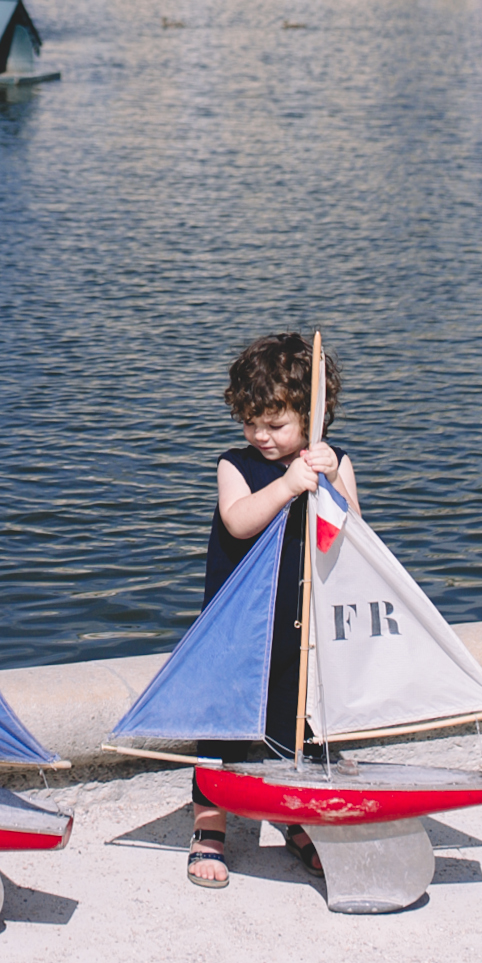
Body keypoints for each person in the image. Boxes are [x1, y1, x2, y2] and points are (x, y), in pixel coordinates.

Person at [187, 333, 360, 892]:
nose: (260, 435)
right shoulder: (237, 465)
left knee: (296, 722)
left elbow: (354, 534)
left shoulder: (332, 462)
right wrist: (288, 484)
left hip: (299, 619)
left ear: (313, 418)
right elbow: (238, 521)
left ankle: (294, 813)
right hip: (238, 620)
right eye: (251, 422)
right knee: (222, 726)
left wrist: (330, 477)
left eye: (276, 424)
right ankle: (209, 827)